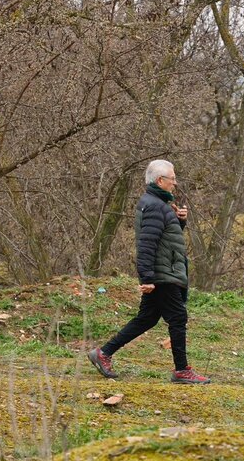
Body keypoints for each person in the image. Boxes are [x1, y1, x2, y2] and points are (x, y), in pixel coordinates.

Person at [88, 160, 211, 385]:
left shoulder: (158, 204)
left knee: (147, 318)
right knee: (178, 318)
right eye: (172, 178)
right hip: (163, 274)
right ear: (160, 180)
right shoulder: (155, 205)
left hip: (164, 271)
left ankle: (103, 353)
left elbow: (165, 238)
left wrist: (180, 221)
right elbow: (146, 244)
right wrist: (147, 278)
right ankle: (182, 370)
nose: (175, 183)